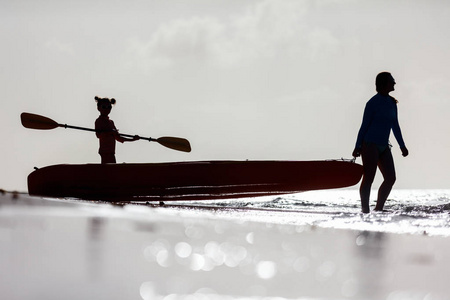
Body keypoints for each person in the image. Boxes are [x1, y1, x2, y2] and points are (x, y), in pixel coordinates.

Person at [352, 72, 409, 213]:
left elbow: (395, 125)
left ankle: (379, 209)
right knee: (369, 178)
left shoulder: (392, 103)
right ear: (384, 83)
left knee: (390, 178)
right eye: (392, 81)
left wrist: (402, 146)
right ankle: (365, 210)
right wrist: (358, 146)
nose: (394, 83)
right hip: (370, 144)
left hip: (384, 145)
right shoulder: (372, 103)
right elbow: (364, 125)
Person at [95, 96, 139, 164]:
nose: (107, 109)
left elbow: (118, 138)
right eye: (104, 107)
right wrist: (109, 132)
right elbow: (98, 135)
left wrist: (133, 139)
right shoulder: (99, 121)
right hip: (105, 151)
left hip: (111, 151)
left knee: (112, 170)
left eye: (109, 107)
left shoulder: (111, 122)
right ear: (98, 108)